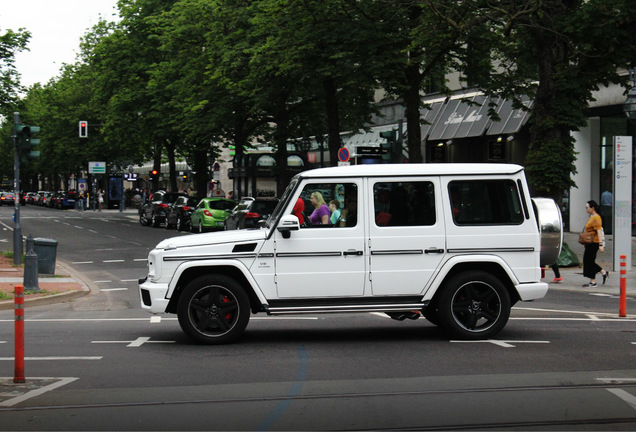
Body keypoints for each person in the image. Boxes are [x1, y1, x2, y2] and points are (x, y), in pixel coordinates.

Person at [582, 200, 609, 287]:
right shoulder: (591, 216)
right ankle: (603, 273)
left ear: (592, 208)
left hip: (595, 242)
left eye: (587, 207)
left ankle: (593, 281)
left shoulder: (597, 218)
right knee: (588, 260)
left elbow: (599, 231)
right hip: (590, 242)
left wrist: (601, 244)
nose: (586, 209)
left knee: (589, 261)